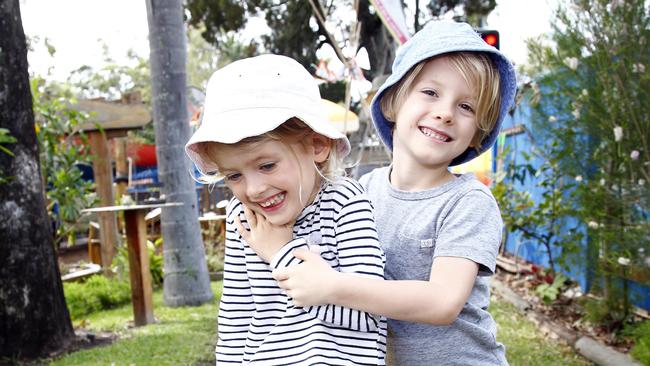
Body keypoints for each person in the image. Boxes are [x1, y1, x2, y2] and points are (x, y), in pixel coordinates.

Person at [269, 21, 517, 365]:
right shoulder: (360, 194)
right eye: (431, 92)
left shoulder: (468, 202)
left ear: (477, 133)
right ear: (392, 104)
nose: (445, 112)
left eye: (466, 107)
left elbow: (443, 302)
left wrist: (332, 286)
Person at [185, 54, 387, 365]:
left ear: (316, 146)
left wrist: (280, 252)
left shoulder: (345, 203)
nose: (253, 189)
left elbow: (369, 313)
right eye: (234, 175)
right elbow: (236, 319)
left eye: (266, 165)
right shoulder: (243, 216)